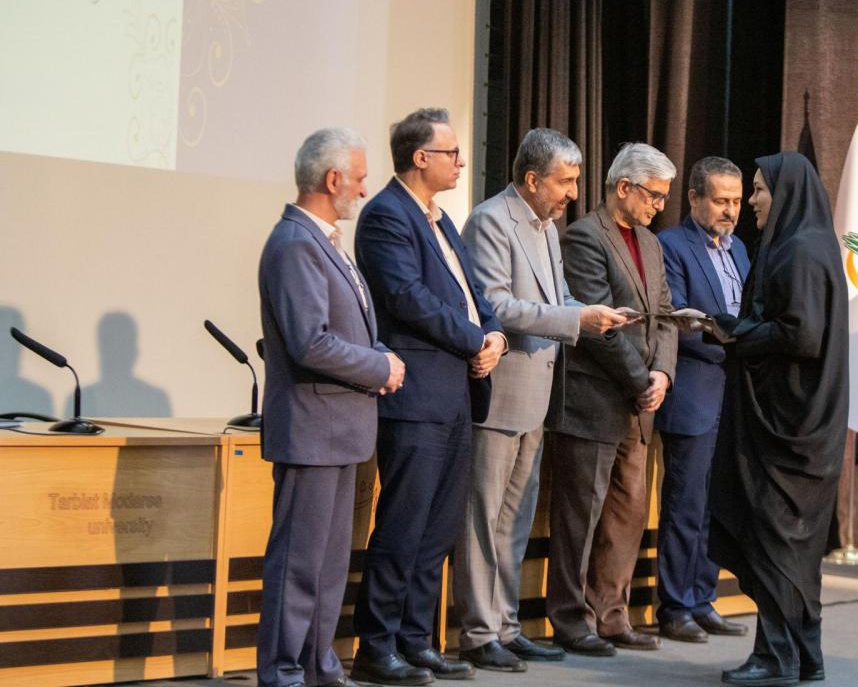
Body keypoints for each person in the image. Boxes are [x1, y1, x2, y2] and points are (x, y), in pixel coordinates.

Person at [453, 128, 629, 673]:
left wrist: (596, 315)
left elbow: (559, 297)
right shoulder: (490, 220)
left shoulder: (547, 227)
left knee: (514, 521)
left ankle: (506, 627)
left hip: (537, 396)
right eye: (565, 181)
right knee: (483, 522)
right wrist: (577, 319)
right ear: (532, 180)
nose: (573, 193)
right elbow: (497, 306)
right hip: (500, 395)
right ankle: (478, 633)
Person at [351, 108, 505, 685]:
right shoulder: (385, 215)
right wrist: (473, 339)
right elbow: (407, 297)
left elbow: (473, 293)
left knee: (438, 528)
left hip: (458, 394)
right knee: (403, 524)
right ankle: (376, 646)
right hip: (415, 397)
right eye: (452, 153)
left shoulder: (441, 219)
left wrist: (495, 335)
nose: (461, 163)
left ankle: (416, 640)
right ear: (421, 158)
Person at [256, 127, 405, 687]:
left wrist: (381, 354)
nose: (364, 190)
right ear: (333, 178)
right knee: (298, 564)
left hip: (340, 429)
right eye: (360, 179)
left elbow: (351, 328)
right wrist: (379, 368)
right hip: (312, 430)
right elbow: (310, 342)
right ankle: (283, 672)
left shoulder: (325, 241)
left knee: (326, 567)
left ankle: (319, 667)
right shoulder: (296, 243)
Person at [707, 151, 848, 687]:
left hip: (790, 428)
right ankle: (803, 656)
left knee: (776, 538)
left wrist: (735, 333)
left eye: (760, 190)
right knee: (790, 544)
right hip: (797, 420)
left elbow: (801, 335)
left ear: (786, 194)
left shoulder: (801, 251)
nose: (752, 202)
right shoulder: (805, 244)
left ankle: (777, 659)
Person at [545, 142, 678, 656]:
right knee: (580, 516)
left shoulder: (652, 243)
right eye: (653, 195)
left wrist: (662, 373)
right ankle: (570, 619)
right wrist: (641, 380)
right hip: (595, 399)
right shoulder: (585, 237)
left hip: (640, 405)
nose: (659, 206)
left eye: (663, 197)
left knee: (626, 514)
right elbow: (598, 328)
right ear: (623, 187)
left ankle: (612, 615)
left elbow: (665, 314)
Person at [653, 157, 750, 643]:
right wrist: (732, 335)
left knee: (717, 505)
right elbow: (676, 319)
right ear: (693, 198)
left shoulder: (740, 250)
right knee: (685, 505)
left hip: (733, 394)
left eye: (736, 201)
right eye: (720, 200)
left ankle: (702, 599)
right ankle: (674, 607)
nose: (730, 210)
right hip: (693, 389)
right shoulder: (672, 245)